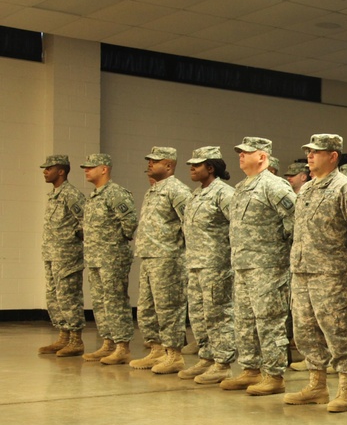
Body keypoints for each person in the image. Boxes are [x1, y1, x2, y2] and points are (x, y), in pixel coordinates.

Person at [285, 134, 347, 411]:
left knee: (337, 330)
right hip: (302, 271)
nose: (310, 156)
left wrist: (343, 250)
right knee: (305, 330)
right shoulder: (307, 190)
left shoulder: (346, 189)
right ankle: (317, 385)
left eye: (316, 152)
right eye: (309, 152)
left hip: (330, 272)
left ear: (333, 156)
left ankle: (345, 390)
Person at [221, 137, 296, 396]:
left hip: (268, 266)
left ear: (262, 157)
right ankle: (250, 369)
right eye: (240, 152)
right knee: (244, 321)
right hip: (242, 265)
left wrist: (280, 253)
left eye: (246, 152)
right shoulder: (241, 187)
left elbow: (294, 222)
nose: (240, 156)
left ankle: (274, 375)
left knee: (269, 321)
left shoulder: (275, 186)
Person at [129, 147, 192, 375]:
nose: (149, 164)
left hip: (168, 258)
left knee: (168, 308)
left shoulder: (178, 191)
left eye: (155, 161)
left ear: (169, 165)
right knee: (146, 308)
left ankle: (174, 355)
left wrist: (182, 254)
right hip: (148, 257)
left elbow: (190, 224)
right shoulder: (153, 191)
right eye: (149, 160)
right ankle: (156, 349)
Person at [177, 146, 237, 384]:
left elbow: (237, 226)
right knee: (199, 315)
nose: (192, 168)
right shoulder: (196, 194)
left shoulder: (224, 193)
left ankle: (223, 363)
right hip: (194, 263)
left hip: (216, 264)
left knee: (217, 314)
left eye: (197, 165)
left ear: (210, 168)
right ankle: (206, 357)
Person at [80, 153, 137, 365]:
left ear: (104, 169)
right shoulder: (94, 196)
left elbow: (129, 223)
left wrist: (113, 244)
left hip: (112, 257)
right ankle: (108, 343)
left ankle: (122, 346)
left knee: (115, 301)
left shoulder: (116, 193)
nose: (86, 170)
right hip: (95, 257)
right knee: (100, 301)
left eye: (91, 167)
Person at [38, 155, 87, 357]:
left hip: (67, 255)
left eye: (49, 168)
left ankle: (76, 339)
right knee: (54, 297)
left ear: (61, 171)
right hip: (51, 254)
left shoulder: (72, 194)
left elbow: (86, 221)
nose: (45, 171)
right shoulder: (54, 195)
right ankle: (63, 336)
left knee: (69, 297)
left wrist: (72, 239)